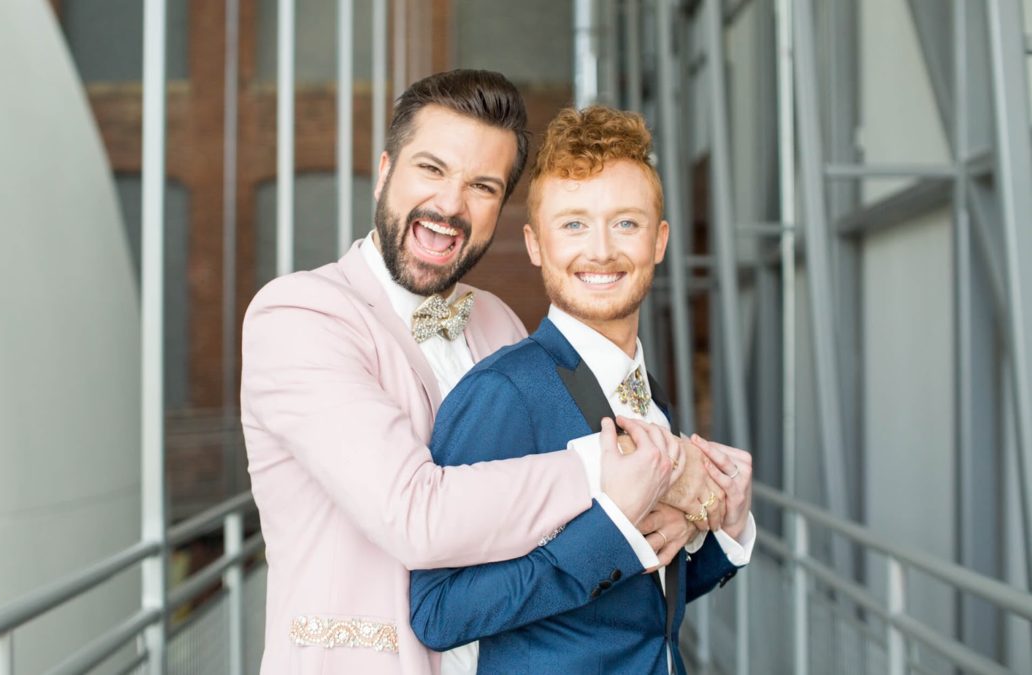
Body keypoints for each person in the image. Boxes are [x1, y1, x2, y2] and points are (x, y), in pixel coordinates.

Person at [241, 70, 722, 675]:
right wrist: (615, 468)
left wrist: (677, 502)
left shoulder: (496, 321)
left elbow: (551, 529)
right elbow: (413, 513)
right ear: (386, 169)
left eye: (483, 186)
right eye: (432, 169)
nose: (450, 206)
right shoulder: (300, 315)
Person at [409, 105, 756, 675]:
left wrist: (729, 524)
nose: (600, 250)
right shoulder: (502, 393)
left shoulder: (648, 391)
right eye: (573, 224)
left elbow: (634, 607)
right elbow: (440, 612)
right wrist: (613, 526)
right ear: (535, 244)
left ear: (660, 240)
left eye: (626, 223)